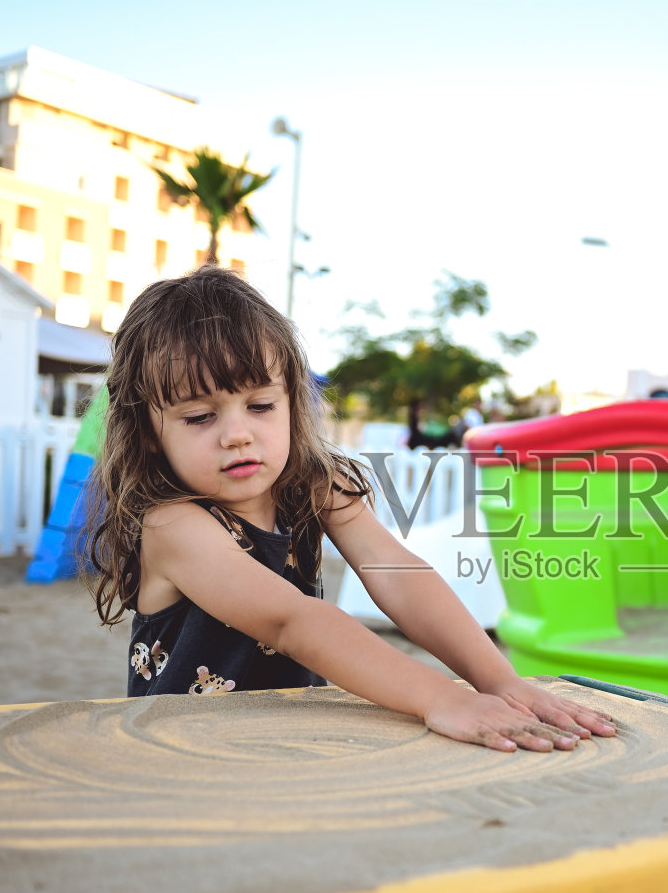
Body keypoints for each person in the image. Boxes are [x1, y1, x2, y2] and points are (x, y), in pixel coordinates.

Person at [87, 265, 616, 756]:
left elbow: (399, 574)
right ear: (150, 433)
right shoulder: (173, 525)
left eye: (261, 406)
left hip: (291, 746)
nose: (237, 434)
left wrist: (499, 680)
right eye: (200, 416)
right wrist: (440, 696)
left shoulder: (313, 484)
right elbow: (292, 620)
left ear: (293, 401)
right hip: (180, 757)